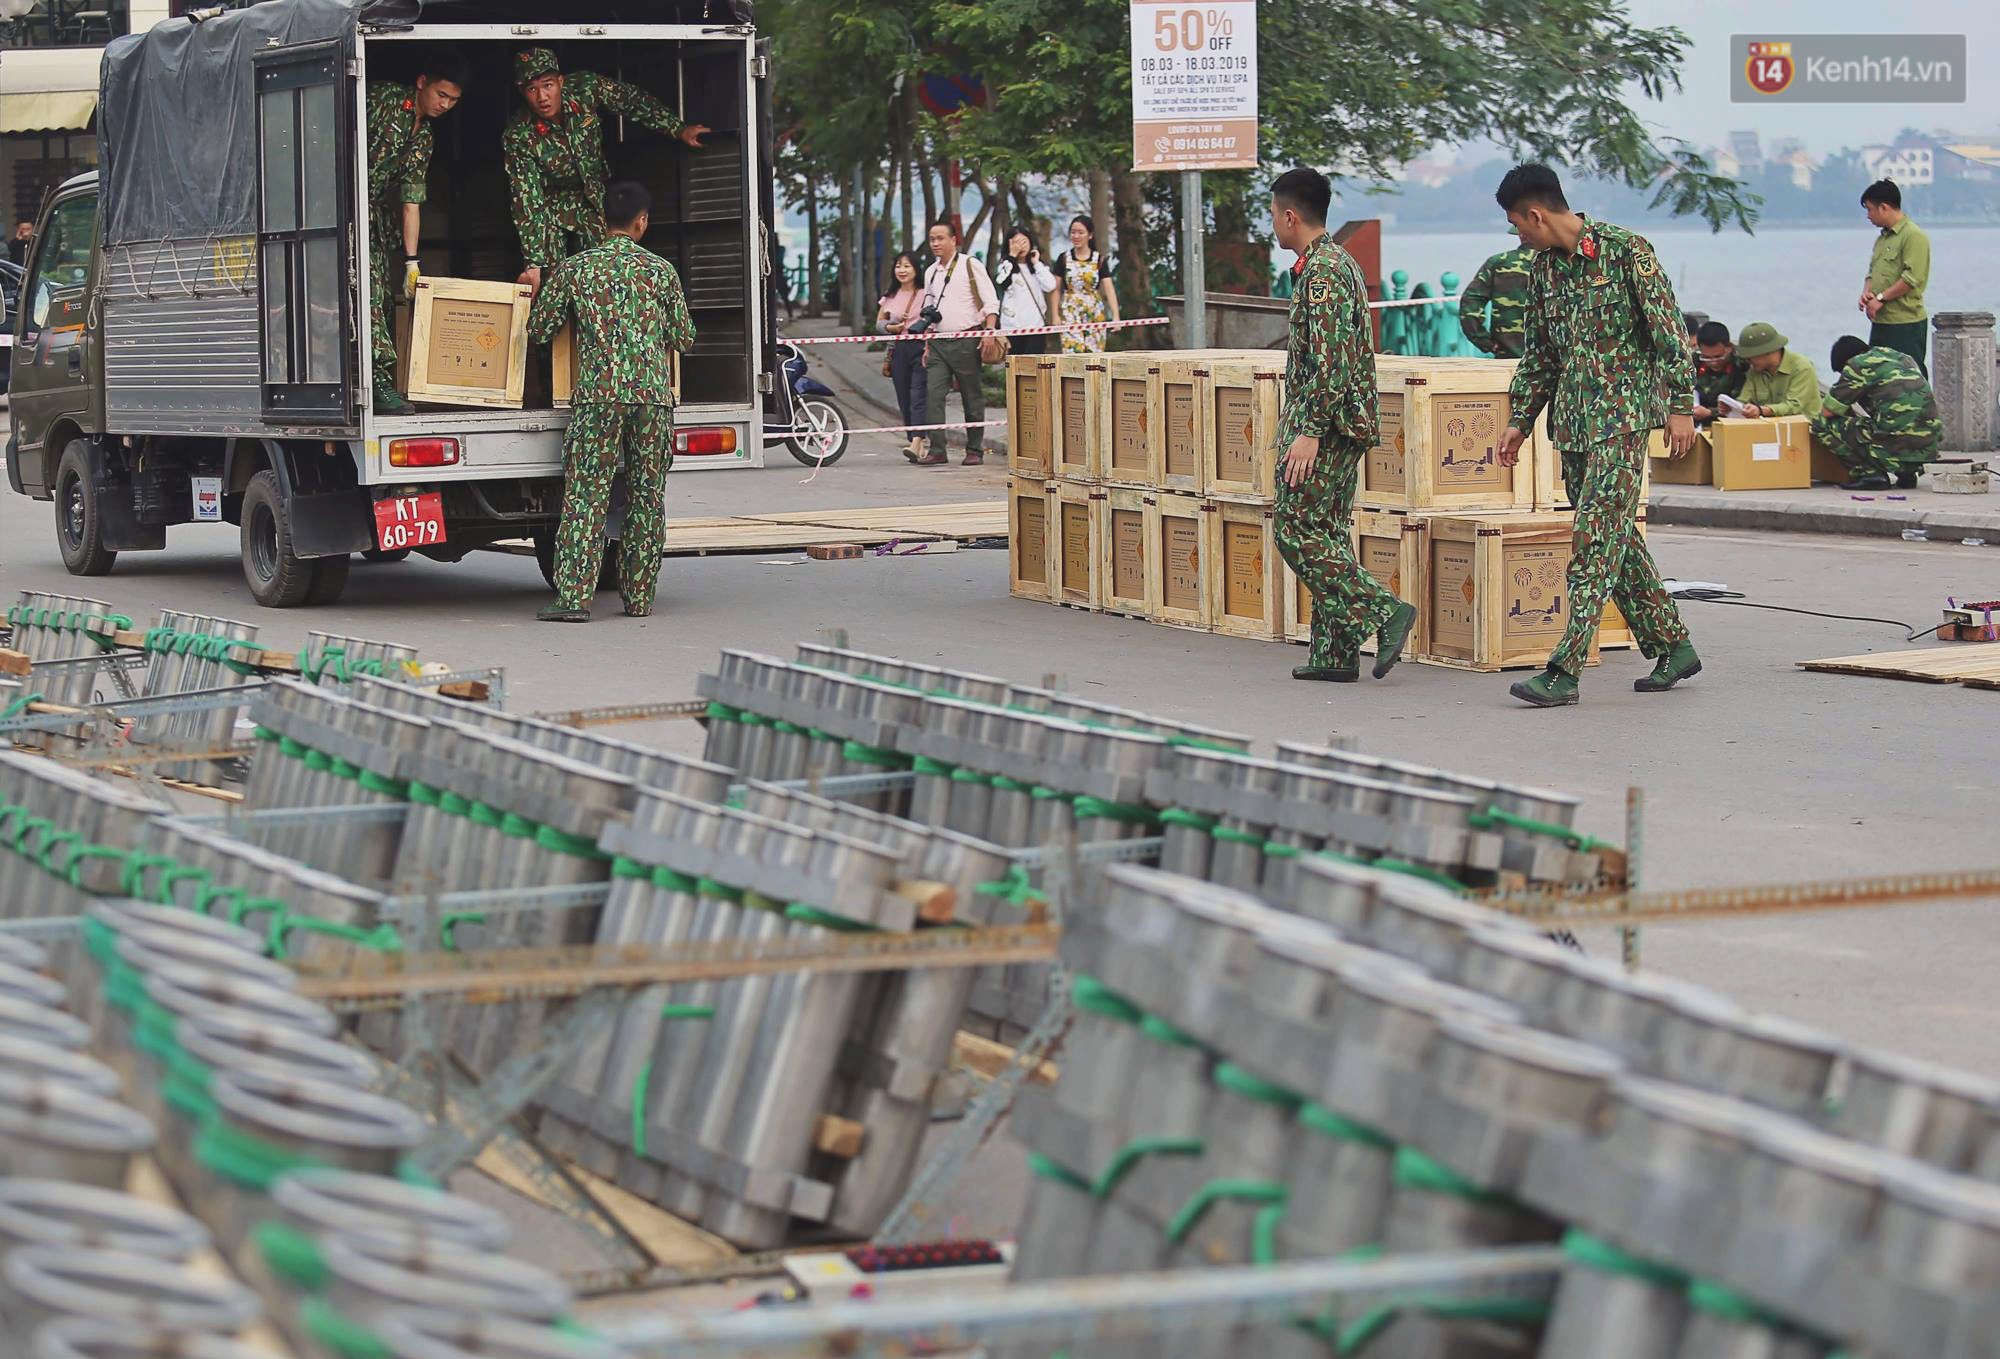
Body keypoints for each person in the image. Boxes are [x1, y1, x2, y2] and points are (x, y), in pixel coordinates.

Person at [1495, 163, 1699, 708]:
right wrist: (1520, 419)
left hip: (1622, 423)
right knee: (1616, 539)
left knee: (1591, 543)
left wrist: (1681, 407)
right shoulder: (1542, 271)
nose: (1517, 236)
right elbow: (1539, 355)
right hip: (1575, 427)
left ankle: (1564, 670)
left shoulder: (1626, 251)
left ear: (1537, 215)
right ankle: (1673, 644)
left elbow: (1669, 334)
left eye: (1517, 225)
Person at [1267, 167, 1418, 684]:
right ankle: (1334, 653)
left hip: (1326, 424)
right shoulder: (1330, 263)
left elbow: (1330, 360)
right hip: (1338, 419)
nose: (1273, 226)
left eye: (1273, 215)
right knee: (1328, 531)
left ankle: (1384, 611)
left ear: (1290, 215)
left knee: (1294, 530)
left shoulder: (1325, 271)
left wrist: (1308, 430)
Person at [526, 181, 695, 624]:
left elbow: (540, 331)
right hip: (652, 400)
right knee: (646, 497)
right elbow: (684, 338)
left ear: (601, 221)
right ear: (642, 222)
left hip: (598, 398)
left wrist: (537, 290)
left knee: (585, 497)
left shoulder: (575, 268)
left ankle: (575, 599)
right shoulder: (661, 271)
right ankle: (638, 597)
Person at [504, 48, 710, 296]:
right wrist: (534, 262)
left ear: (561, 81)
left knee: (608, 273)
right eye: (531, 89)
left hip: (595, 196)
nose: (542, 97)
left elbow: (632, 101)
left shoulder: (586, 88)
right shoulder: (519, 134)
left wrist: (677, 129)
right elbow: (527, 198)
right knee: (552, 284)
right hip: (551, 206)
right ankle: (556, 333)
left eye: (547, 85)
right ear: (522, 93)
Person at [365, 57, 468, 415]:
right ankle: (374, 380)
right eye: (441, 95)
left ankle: (377, 378)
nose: (445, 105)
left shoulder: (424, 136)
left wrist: (412, 262)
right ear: (422, 82)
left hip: (373, 218)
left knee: (376, 295)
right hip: (336, 208)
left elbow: (411, 199)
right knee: (364, 295)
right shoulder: (381, 99)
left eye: (453, 100)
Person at [911, 218, 997, 468]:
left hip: (966, 339)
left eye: (940, 238)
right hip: (938, 341)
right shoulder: (930, 272)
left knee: (972, 395)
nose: (935, 243)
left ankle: (974, 449)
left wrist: (989, 330)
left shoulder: (971, 265)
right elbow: (929, 309)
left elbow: (990, 301)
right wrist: (927, 343)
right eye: (932, 239)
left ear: (953, 240)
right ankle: (938, 448)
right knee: (933, 393)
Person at [1811, 334, 1943, 491]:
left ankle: (1870, 475)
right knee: (1889, 418)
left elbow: (1827, 412)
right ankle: (1906, 475)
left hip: (1896, 443)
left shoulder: (1857, 365)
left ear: (1847, 362)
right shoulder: (1901, 357)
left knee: (1820, 424)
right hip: (1929, 445)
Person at [1858, 179, 1932, 375]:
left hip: (1905, 322)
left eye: (1870, 209)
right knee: (1878, 375)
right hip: (1881, 322)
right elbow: (1872, 273)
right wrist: (1867, 293)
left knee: (1909, 376)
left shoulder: (1913, 235)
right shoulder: (1882, 239)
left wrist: (1881, 298)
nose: (1868, 216)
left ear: (1884, 208)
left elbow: (1911, 278)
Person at [876, 250, 930, 459]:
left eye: (907, 266)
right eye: (898, 265)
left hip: (921, 347)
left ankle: (917, 440)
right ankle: (916, 443)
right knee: (904, 397)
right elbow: (879, 323)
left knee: (918, 394)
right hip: (898, 349)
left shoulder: (926, 293)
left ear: (916, 269)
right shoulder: (890, 295)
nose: (902, 270)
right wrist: (891, 328)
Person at [1458, 233, 1533, 358]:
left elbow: (1470, 304)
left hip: (1507, 355)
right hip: (1554, 361)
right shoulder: (1560, 261)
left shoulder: (1498, 263)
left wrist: (1485, 343)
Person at [1052, 215, 1119, 353]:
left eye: (1080, 232)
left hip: (1094, 310)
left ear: (1090, 235)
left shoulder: (1099, 260)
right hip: (1070, 310)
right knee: (1073, 353)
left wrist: (1115, 315)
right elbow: (1056, 289)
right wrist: (1055, 315)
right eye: (1073, 232)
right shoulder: (1064, 258)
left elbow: (1109, 289)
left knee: (1094, 356)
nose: (1076, 236)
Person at [992, 226, 1057, 356]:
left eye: (1024, 242)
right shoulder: (1005, 266)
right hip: (1012, 328)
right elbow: (1001, 282)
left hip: (1036, 327)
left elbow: (1050, 286)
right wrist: (1011, 256)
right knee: (1015, 369)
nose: (1021, 246)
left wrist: (1036, 263)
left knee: (1034, 368)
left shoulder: (1037, 267)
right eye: (1016, 242)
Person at [1733, 323, 1820, 419]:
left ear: (1767, 352)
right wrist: (1734, 408)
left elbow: (1795, 406)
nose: (1748, 361)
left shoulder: (1802, 368)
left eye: (1750, 357)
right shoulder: (1754, 371)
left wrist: (1762, 410)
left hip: (1803, 428)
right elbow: (1744, 399)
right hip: (1768, 427)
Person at [1691, 321, 1747, 424]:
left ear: (1729, 347)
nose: (1713, 362)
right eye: (1707, 357)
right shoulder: (1694, 362)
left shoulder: (1741, 366)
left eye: (1718, 356)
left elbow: (1742, 405)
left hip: (1729, 422)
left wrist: (1710, 412)